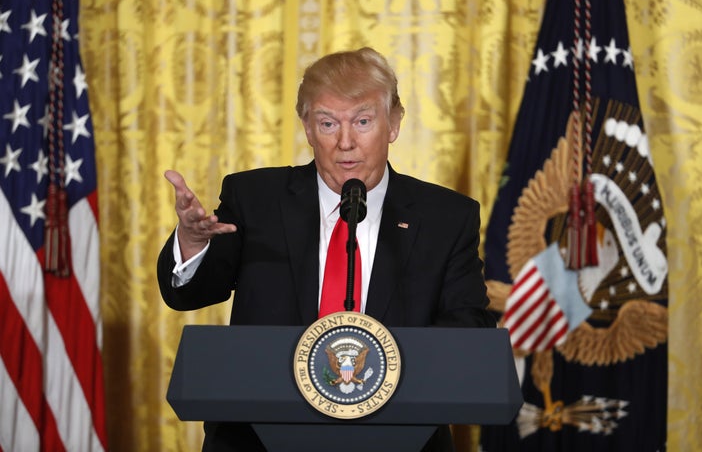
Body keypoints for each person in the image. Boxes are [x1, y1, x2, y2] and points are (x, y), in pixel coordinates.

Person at [157, 47, 496, 452]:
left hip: (400, 438)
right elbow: (190, 294)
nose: (345, 142)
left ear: (394, 123)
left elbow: (468, 329)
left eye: (363, 121)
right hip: (258, 439)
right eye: (328, 123)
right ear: (307, 127)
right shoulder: (255, 198)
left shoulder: (446, 216)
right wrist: (193, 242)